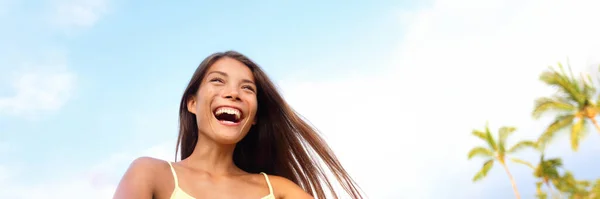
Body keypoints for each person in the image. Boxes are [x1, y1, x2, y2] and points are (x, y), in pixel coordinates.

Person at [113, 51, 364, 199]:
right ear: (192, 103)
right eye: (218, 81)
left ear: (254, 116)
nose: (233, 93)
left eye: (247, 88)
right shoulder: (150, 174)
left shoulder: (278, 191)